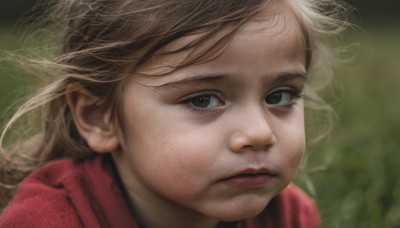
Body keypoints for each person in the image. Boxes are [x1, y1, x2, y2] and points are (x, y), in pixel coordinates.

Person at [0, 0, 350, 227]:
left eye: (280, 95)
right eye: (203, 100)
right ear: (98, 117)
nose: (260, 133)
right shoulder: (49, 220)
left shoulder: (288, 217)